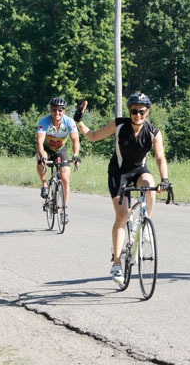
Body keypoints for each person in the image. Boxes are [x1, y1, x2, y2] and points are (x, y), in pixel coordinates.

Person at [73, 93, 170, 284]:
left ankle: (145, 224)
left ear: (147, 112)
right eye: (134, 111)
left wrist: (165, 179)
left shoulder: (153, 132)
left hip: (139, 171)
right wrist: (79, 122)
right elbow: (92, 136)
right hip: (118, 173)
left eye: (142, 112)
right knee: (122, 215)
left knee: (150, 185)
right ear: (129, 111)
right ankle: (117, 263)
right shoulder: (119, 125)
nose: (138, 115)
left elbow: (160, 157)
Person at [36, 97, 81, 224]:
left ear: (64, 111)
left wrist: (76, 155)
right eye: (54, 110)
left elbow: (75, 140)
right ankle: (44, 184)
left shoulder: (69, 122)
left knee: (65, 178)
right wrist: (42, 156)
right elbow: (39, 142)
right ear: (51, 110)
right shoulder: (44, 122)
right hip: (46, 148)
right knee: (40, 159)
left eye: (60, 110)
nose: (57, 113)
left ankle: (64, 211)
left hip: (60, 149)